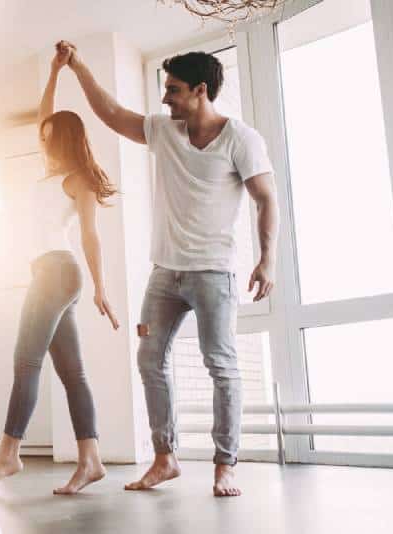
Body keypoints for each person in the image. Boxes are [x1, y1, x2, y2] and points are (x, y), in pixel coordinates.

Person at [57, 41, 280, 497]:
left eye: (173, 90)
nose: (164, 99)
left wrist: (266, 258)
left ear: (201, 90)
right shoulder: (164, 130)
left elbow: (265, 199)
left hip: (214, 274)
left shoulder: (241, 139)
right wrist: (79, 66)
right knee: (148, 358)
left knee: (221, 366)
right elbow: (112, 113)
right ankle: (165, 458)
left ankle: (225, 465)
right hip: (164, 276)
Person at [0, 44, 121, 496]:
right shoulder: (49, 169)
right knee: (72, 373)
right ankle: (92, 460)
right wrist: (55, 71)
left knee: (26, 362)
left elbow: (89, 235)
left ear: (56, 139)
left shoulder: (76, 179)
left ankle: (8, 454)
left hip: (58, 274)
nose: (39, 136)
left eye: (45, 134)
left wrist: (100, 287)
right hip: (53, 274)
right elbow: (46, 111)